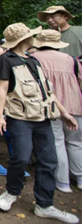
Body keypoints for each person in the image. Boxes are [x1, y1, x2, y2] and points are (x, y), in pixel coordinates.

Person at [0, 23, 79, 224]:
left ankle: (45, 204)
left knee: (50, 160)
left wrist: (64, 112)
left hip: (43, 119)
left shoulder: (34, 61)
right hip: (20, 119)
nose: (34, 38)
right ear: (24, 39)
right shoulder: (6, 60)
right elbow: (2, 89)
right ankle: (11, 192)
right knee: (21, 158)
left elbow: (47, 91)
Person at [32, 30, 82, 193]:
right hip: (75, 104)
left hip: (49, 107)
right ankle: (80, 179)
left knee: (56, 143)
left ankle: (62, 181)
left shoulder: (34, 59)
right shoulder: (72, 60)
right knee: (76, 143)